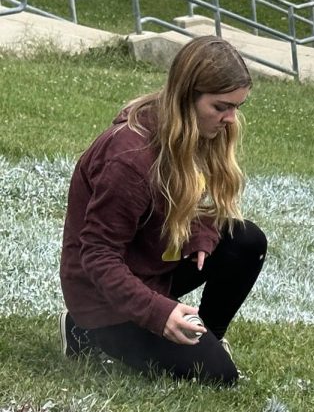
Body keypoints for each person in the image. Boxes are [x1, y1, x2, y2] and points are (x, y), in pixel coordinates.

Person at [59, 35, 267, 385]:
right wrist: (160, 312)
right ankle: (84, 330)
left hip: (150, 266)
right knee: (219, 377)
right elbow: (97, 256)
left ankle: (207, 335)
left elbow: (197, 197)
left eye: (237, 107)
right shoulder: (129, 158)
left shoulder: (191, 130)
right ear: (187, 98)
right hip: (103, 297)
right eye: (221, 107)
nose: (230, 119)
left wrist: (201, 233)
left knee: (246, 241)